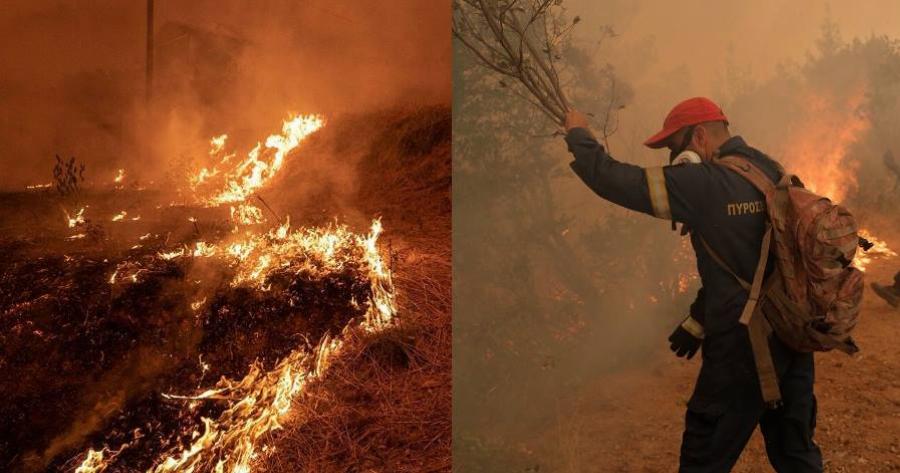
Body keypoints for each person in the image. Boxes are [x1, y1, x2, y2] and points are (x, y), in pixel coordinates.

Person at [564, 97, 822, 472]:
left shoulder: (704, 182)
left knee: (703, 456)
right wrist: (699, 319)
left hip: (740, 349)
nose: (675, 159)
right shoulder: (770, 169)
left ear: (699, 137)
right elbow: (752, 261)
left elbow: (617, 180)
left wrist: (578, 135)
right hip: (792, 338)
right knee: (796, 455)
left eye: (675, 147)